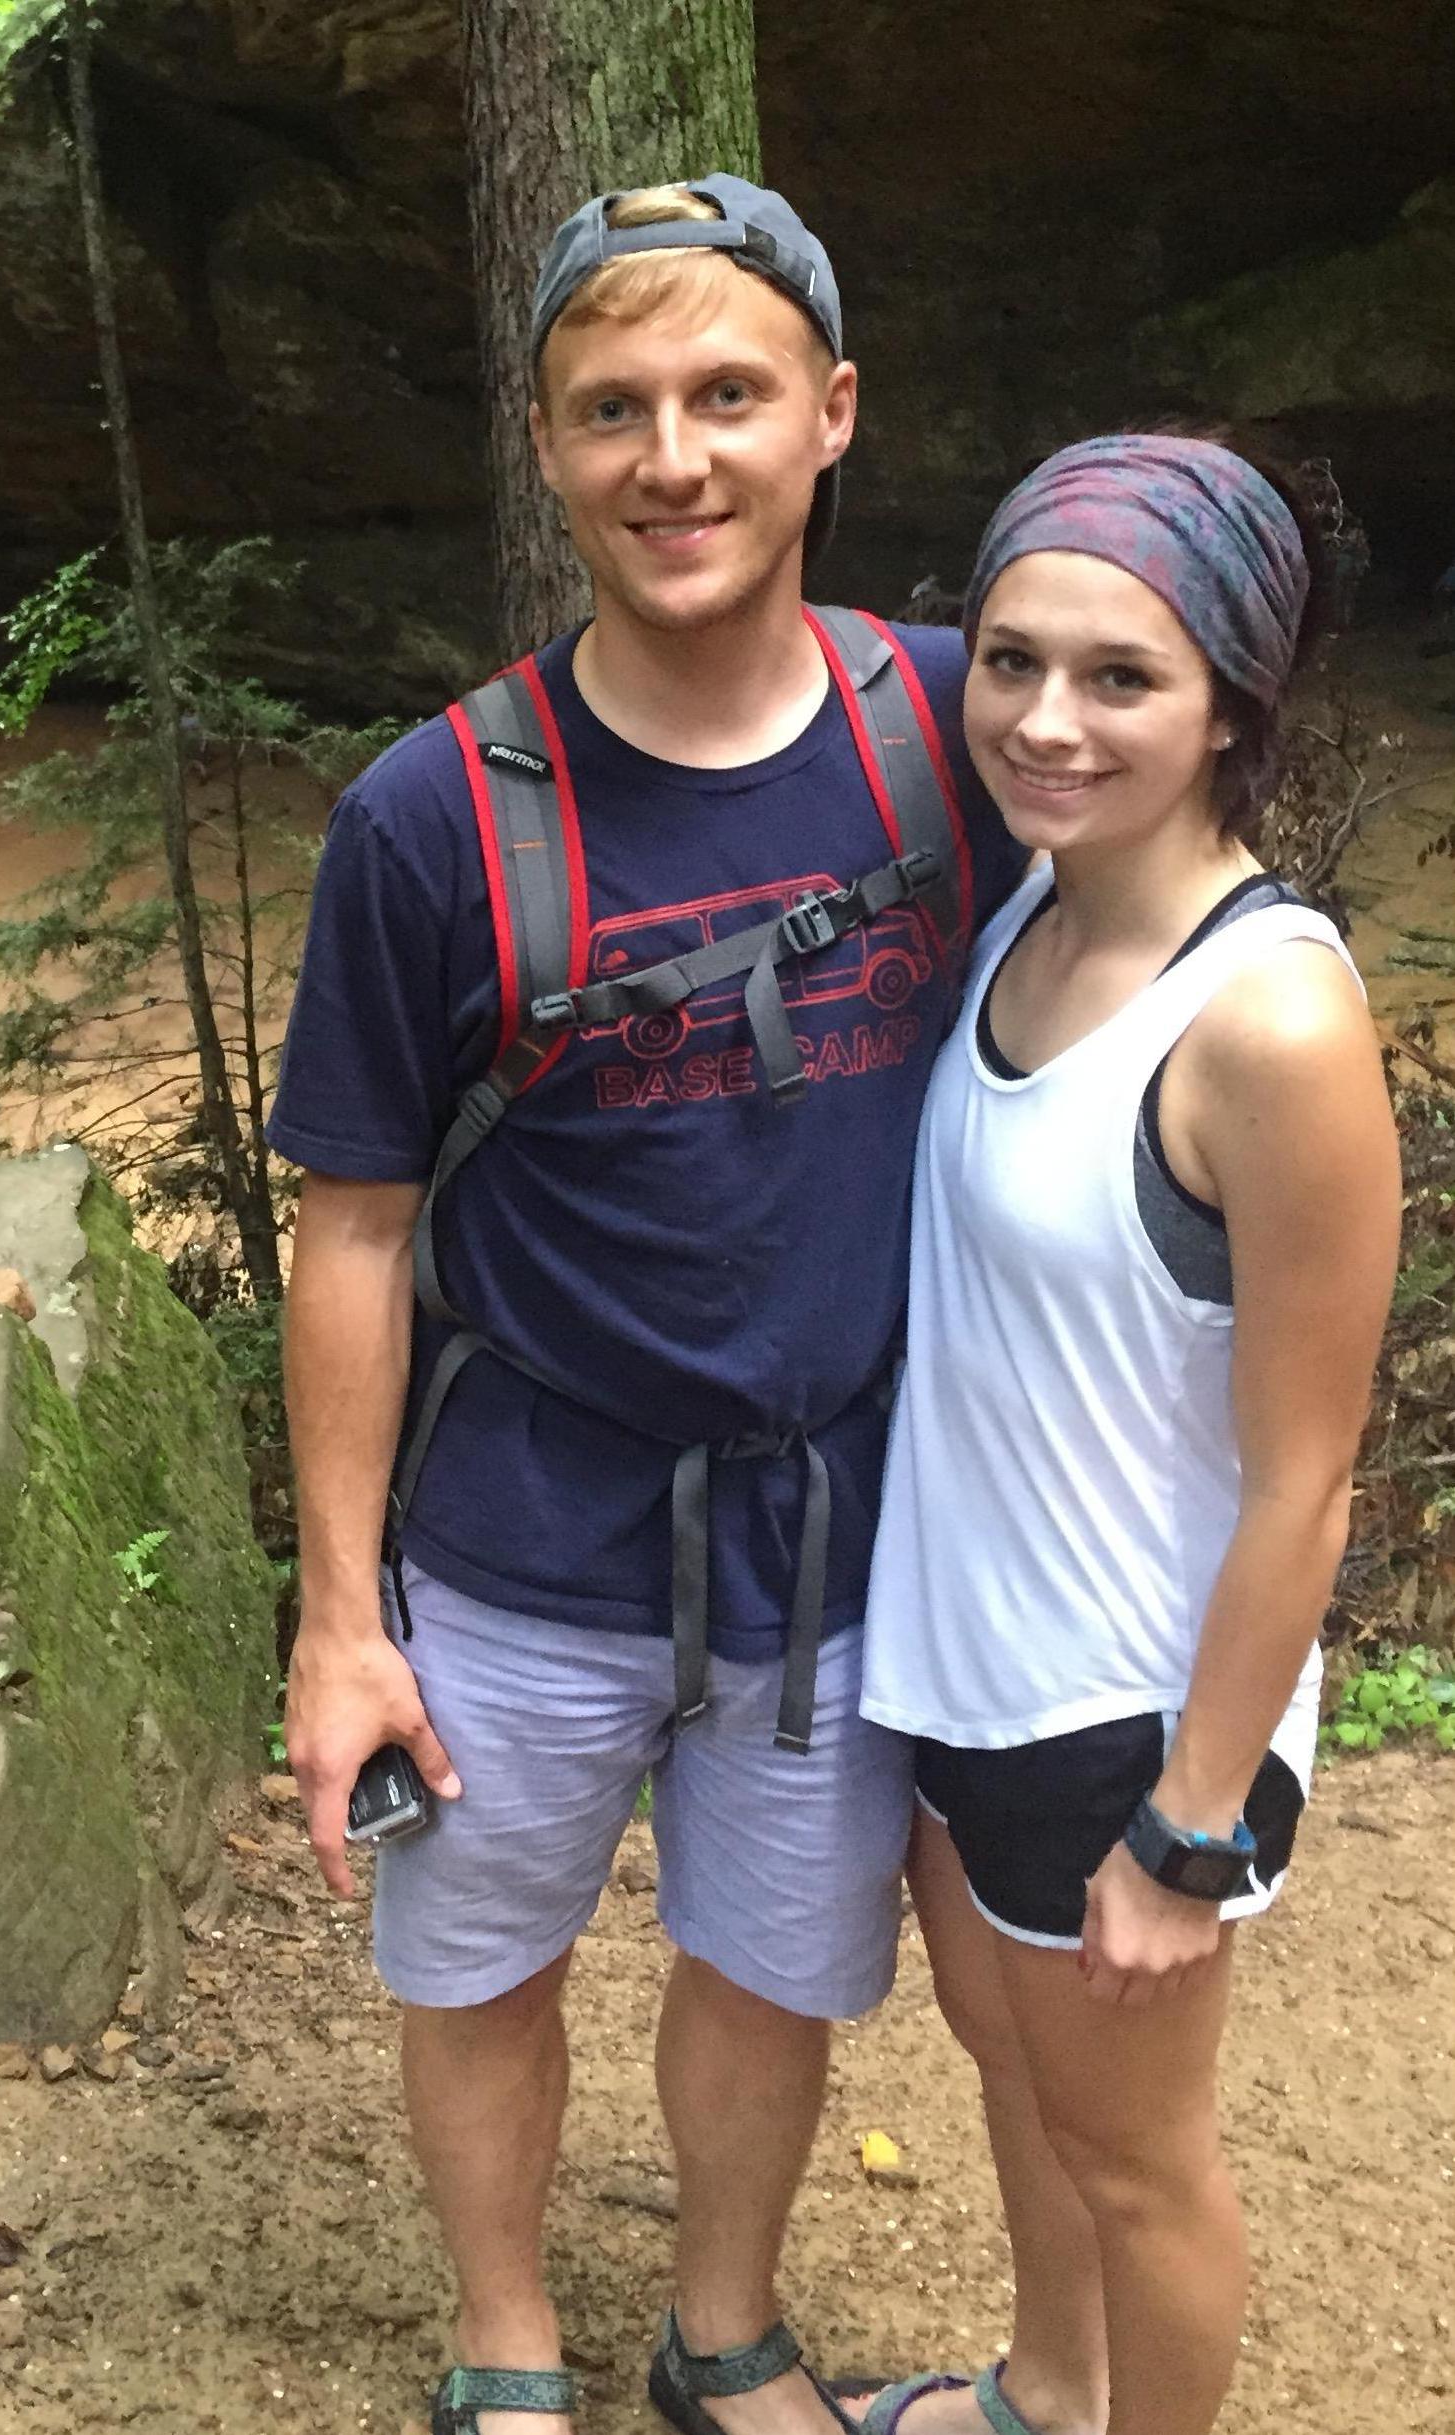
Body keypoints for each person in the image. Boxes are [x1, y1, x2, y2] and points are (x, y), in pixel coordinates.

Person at [269, 178, 1031, 2435]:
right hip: (518, 1535)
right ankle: (507, 2343)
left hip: (835, 1539)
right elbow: (354, 1231)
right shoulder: (429, 819)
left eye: (726, 396)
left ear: (833, 416)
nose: (672, 460)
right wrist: (341, 1616)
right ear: (545, 444)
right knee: (477, 1957)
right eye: (612, 409)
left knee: (772, 1968)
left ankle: (724, 2328)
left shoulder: (954, 731)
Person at [852, 434, 1400, 2435]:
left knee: (1141, 2168)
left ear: (1232, 707)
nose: (1046, 721)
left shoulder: (1268, 1027)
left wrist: (1191, 1825)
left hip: (1122, 1709)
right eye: (1012, 662)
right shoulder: (1028, 908)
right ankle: (1048, 2392)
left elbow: (1307, 1478)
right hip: (968, 1653)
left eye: (1121, 678)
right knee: (1016, 2068)